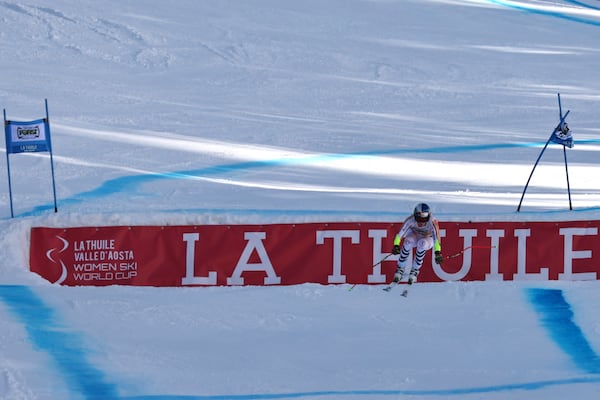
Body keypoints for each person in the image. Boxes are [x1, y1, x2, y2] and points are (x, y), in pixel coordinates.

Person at [391, 203, 443, 284]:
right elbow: (400, 233)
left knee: (422, 244)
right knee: (408, 241)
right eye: (418, 219)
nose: (421, 222)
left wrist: (438, 252)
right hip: (415, 235)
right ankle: (400, 268)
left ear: (428, 217)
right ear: (414, 216)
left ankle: (415, 269)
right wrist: (396, 245)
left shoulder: (432, 221)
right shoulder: (410, 220)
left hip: (428, 238)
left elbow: (436, 238)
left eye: (424, 220)